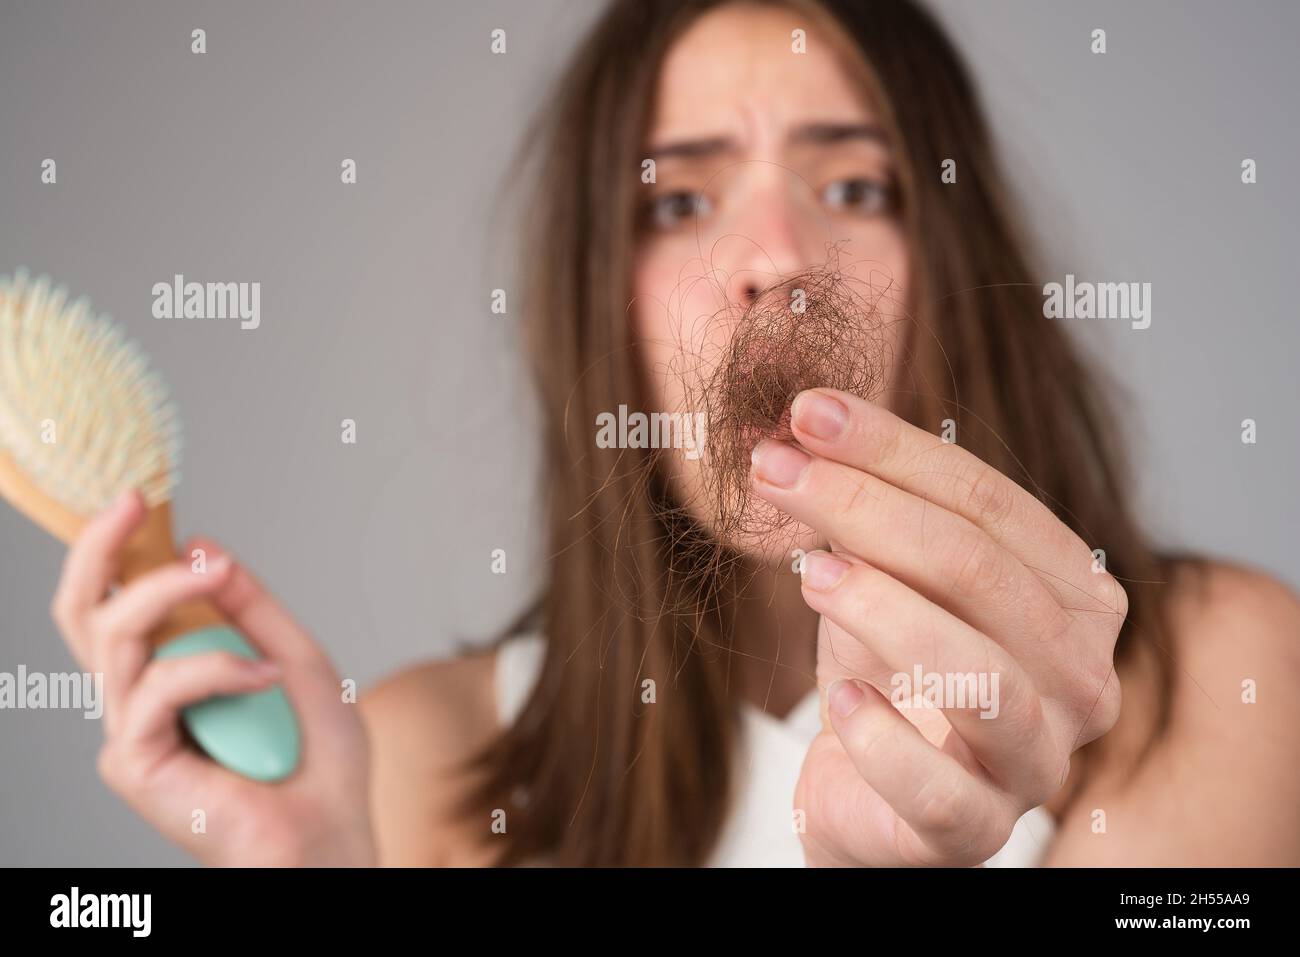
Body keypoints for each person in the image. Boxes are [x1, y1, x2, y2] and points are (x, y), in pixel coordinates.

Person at [51, 0, 1300, 867]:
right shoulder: (416, 768)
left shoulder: (1217, 681)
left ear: (955, 273)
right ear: (599, 308)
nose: (773, 261)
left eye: (856, 187)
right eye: (680, 197)